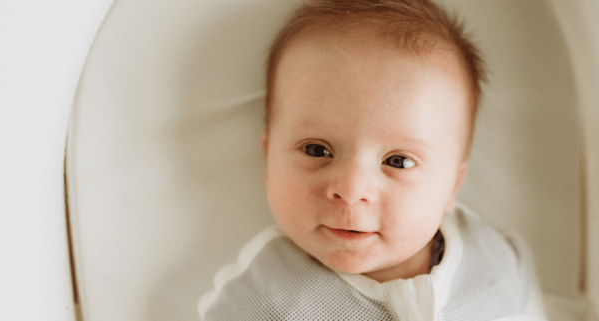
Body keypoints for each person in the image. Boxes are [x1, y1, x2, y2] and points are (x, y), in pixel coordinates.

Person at [199, 0, 545, 320]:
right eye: (316, 150)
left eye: (398, 161)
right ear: (269, 158)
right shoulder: (263, 296)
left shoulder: (492, 262)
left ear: (453, 184)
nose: (350, 190)